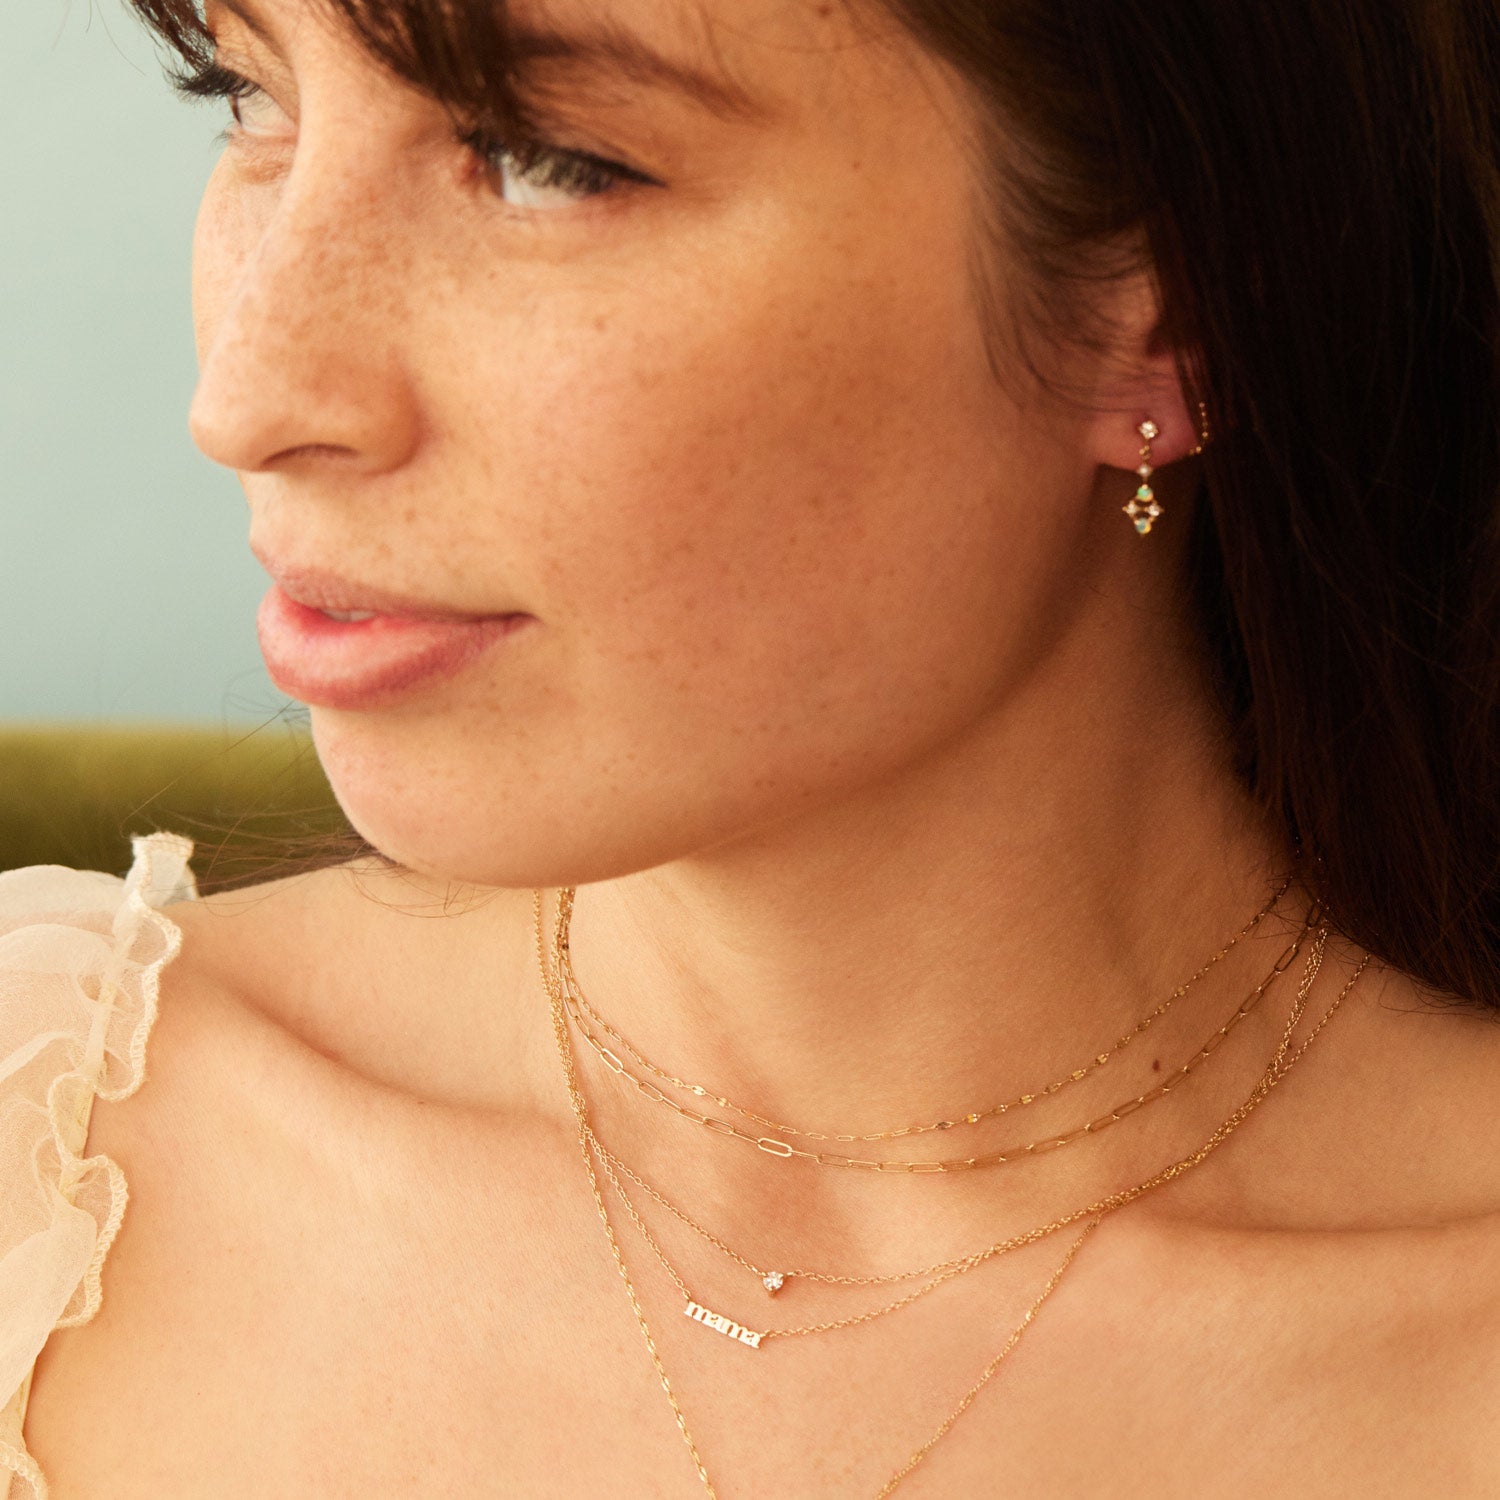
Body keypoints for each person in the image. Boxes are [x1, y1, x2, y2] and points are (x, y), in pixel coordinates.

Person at [3, 0, 1498, 1493]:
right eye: (244, 92)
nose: (247, 396)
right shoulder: (44, 1148)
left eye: (546, 159)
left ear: (1166, 312)